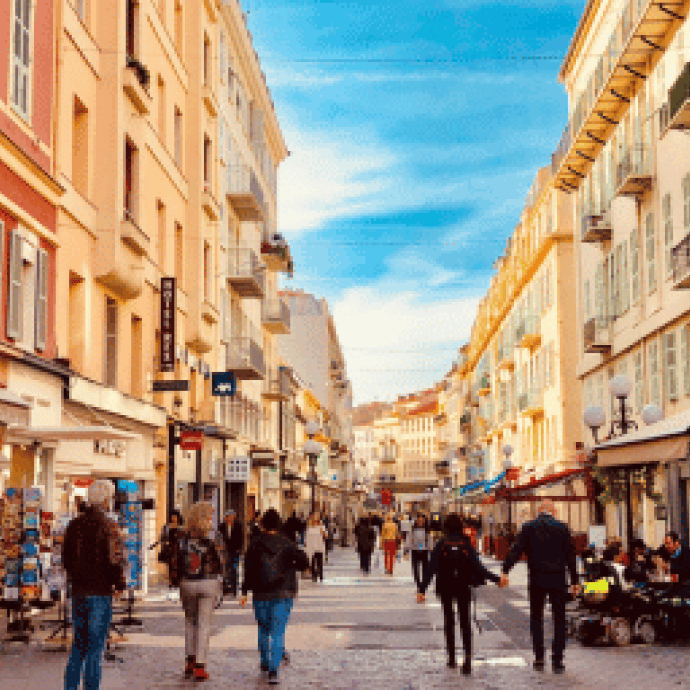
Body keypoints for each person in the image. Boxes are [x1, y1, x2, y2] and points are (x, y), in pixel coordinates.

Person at [416, 513, 503, 674]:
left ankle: (451, 658)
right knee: (465, 621)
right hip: (463, 586)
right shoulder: (465, 544)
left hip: (445, 586)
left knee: (449, 621)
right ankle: (468, 658)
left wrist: (421, 590)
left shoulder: (441, 544)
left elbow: (430, 568)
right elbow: (478, 568)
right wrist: (496, 579)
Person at [501, 499, 579, 675]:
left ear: (539, 511)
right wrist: (575, 581)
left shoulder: (529, 527)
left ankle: (539, 657)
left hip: (537, 579)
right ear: (553, 510)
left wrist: (505, 570)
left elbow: (516, 549)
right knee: (559, 618)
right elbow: (570, 556)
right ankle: (557, 659)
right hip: (558, 579)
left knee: (536, 618)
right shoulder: (562, 527)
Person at [63, 480, 126, 690]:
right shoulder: (109, 525)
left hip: (79, 590)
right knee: (95, 648)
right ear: (107, 500)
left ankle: (70, 687)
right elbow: (114, 559)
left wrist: (76, 577)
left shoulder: (74, 524)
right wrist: (119, 584)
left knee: (78, 645)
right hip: (100, 591)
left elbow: (66, 559)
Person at [240, 508, 310, 685]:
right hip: (283, 591)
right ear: (279, 523)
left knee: (263, 629)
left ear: (262, 524)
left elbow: (248, 569)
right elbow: (304, 561)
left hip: (261, 592)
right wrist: (293, 566)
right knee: (278, 631)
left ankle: (264, 661)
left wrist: (244, 591)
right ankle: (274, 669)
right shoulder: (287, 543)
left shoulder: (255, 544)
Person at [169, 501, 225, 682]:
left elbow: (174, 560)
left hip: (187, 583)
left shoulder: (182, 536)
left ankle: (189, 660)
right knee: (204, 624)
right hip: (208, 582)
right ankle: (200, 665)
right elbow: (222, 559)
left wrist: (175, 580)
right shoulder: (213, 535)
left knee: (190, 622)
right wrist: (223, 579)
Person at [218, 509, 244, 597]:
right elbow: (219, 538)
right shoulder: (221, 527)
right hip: (224, 551)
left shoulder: (238, 526)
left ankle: (234, 590)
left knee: (234, 569)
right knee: (224, 570)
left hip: (234, 551)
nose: (230, 519)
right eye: (228, 517)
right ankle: (225, 589)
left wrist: (239, 549)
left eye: (232, 517)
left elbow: (240, 539)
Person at [407, 515, 432, 588]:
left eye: (422, 520)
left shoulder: (427, 529)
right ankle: (418, 583)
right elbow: (409, 538)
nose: (420, 522)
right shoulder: (412, 529)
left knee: (425, 567)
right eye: (419, 520)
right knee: (415, 568)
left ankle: (423, 582)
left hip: (424, 550)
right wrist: (407, 549)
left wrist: (430, 548)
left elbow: (429, 539)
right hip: (415, 550)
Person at [305, 514, 327, 582]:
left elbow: (326, 536)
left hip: (319, 547)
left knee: (320, 562)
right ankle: (314, 576)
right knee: (313, 562)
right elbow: (307, 539)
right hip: (312, 548)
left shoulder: (322, 527)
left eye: (316, 520)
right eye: (314, 520)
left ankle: (320, 575)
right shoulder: (309, 528)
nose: (315, 522)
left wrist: (322, 532)